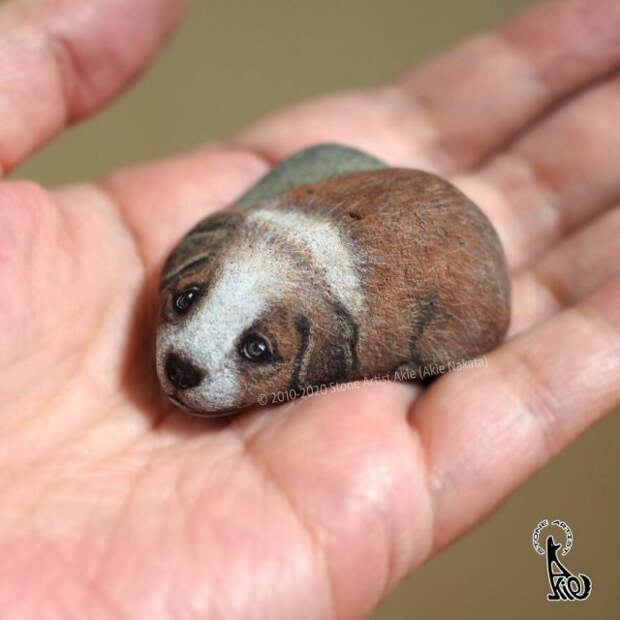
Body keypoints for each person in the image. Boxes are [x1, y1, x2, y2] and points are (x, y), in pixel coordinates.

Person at [0, 0, 618, 617]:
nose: (187, 358)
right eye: (187, 302)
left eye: (255, 349)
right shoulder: (254, 235)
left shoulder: (370, 322)